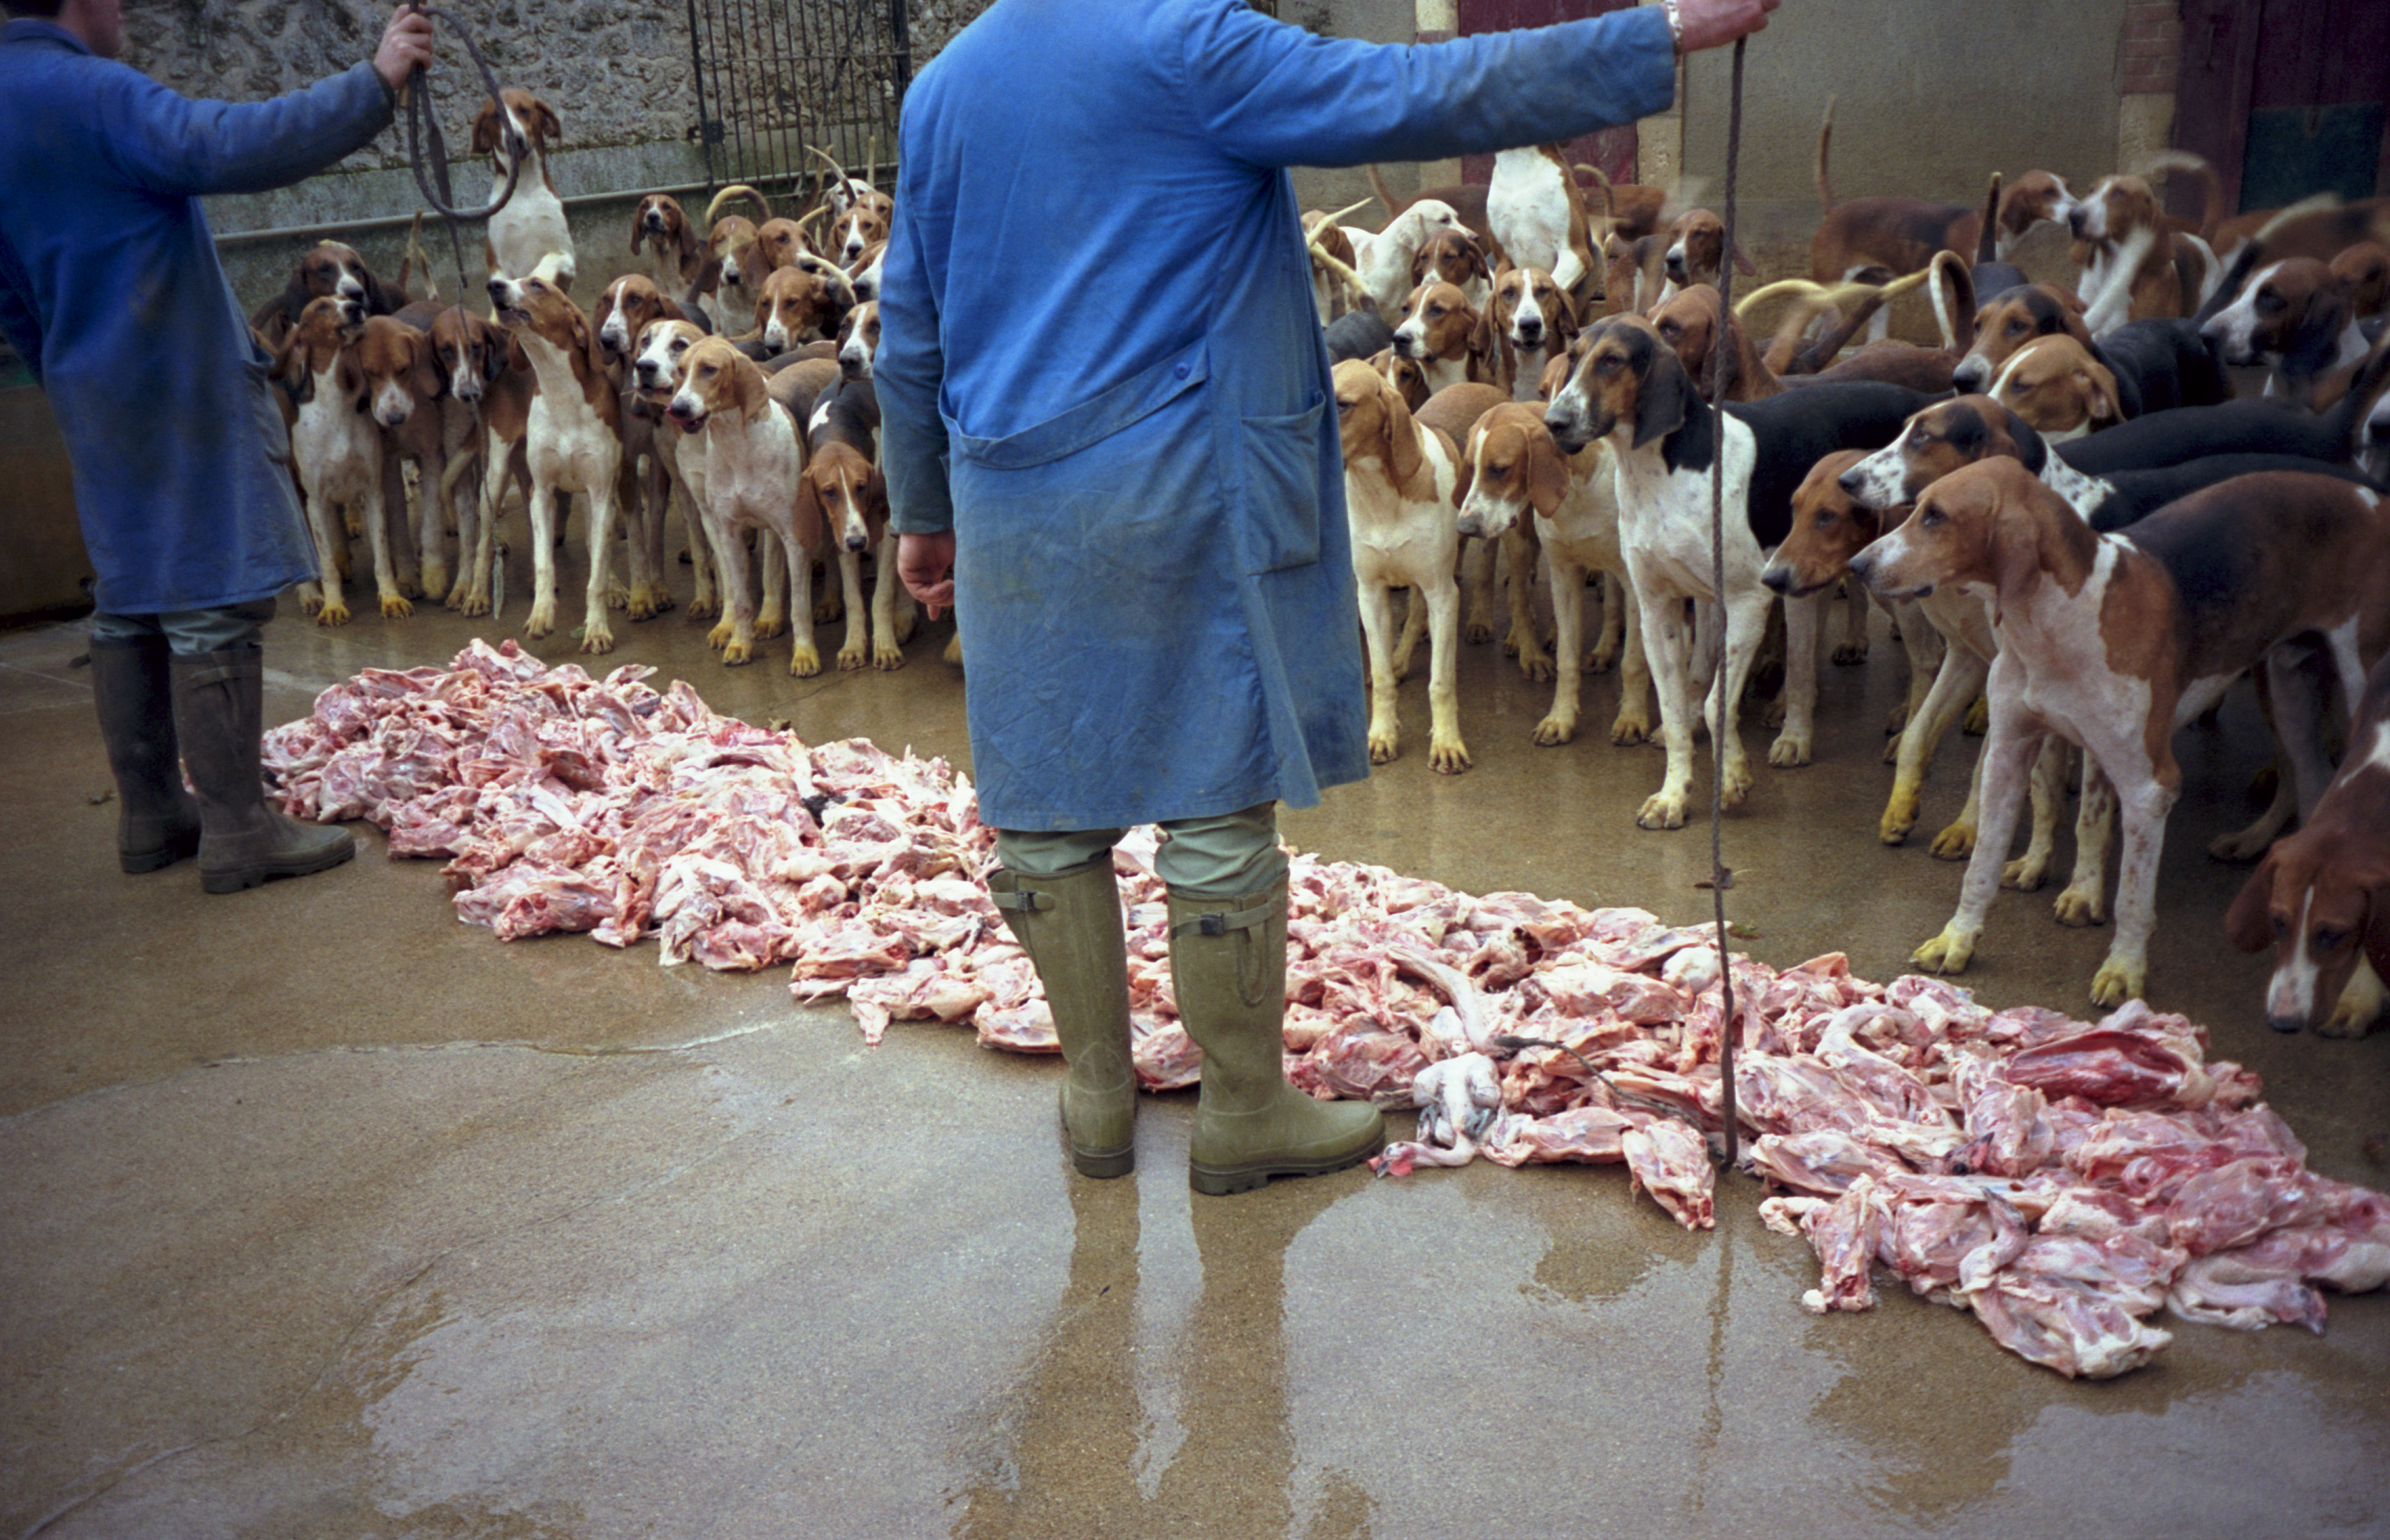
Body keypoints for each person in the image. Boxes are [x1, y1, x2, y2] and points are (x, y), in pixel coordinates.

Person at [879, 0, 1781, 1194]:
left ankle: (1096, 1100)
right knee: (1213, 798)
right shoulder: (1187, 43)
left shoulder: (945, 86)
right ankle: (1244, 1111)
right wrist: (1656, 33)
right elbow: (1420, 91)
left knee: (1046, 812)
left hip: (1008, 498)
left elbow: (910, 327)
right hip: (1178, 482)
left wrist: (922, 505)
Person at [0, 0, 434, 892]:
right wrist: (375, 82)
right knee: (212, 593)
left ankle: (153, 814)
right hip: (176, 377)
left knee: (130, 594)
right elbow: (228, 144)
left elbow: (9, 294)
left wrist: (70, 373)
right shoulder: (92, 92)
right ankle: (240, 827)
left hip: (88, 381)